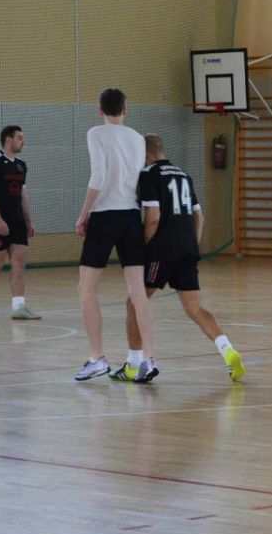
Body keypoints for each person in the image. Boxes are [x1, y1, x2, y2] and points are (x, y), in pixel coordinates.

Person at [109, 134, 245, 382]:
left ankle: (133, 365)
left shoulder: (149, 175)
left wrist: (145, 248)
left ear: (145, 154)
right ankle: (228, 350)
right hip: (187, 249)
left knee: (134, 303)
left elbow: (153, 217)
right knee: (195, 308)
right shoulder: (184, 175)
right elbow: (199, 217)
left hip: (161, 250)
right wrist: (192, 245)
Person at [74, 88, 158, 382]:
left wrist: (84, 213)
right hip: (130, 217)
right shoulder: (137, 138)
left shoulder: (96, 133)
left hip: (104, 216)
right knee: (138, 292)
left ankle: (97, 358)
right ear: (125, 110)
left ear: (100, 110)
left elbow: (98, 175)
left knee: (86, 290)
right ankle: (148, 358)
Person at [0, 126, 40, 320]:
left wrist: (28, 220)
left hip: (17, 222)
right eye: (19, 137)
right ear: (8, 139)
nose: (23, 141)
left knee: (19, 263)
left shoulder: (21, 165)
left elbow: (23, 196)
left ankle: (18, 306)